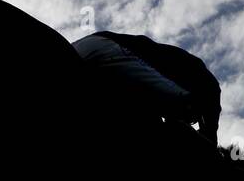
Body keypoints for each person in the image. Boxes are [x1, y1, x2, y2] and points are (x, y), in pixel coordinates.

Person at [73, 31, 221, 141]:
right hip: (106, 47)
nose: (192, 122)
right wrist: (210, 137)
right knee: (184, 107)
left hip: (80, 47)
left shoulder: (161, 77)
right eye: (195, 120)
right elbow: (212, 95)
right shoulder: (203, 81)